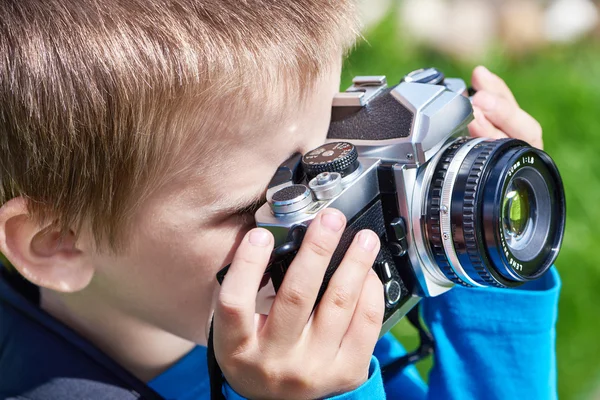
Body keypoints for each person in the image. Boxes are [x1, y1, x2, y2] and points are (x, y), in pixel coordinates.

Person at [0, 1, 559, 399]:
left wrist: (483, 267)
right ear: (59, 243)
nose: (331, 217)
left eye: (340, 151)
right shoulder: (299, 351)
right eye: (265, 206)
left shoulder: (300, 318)